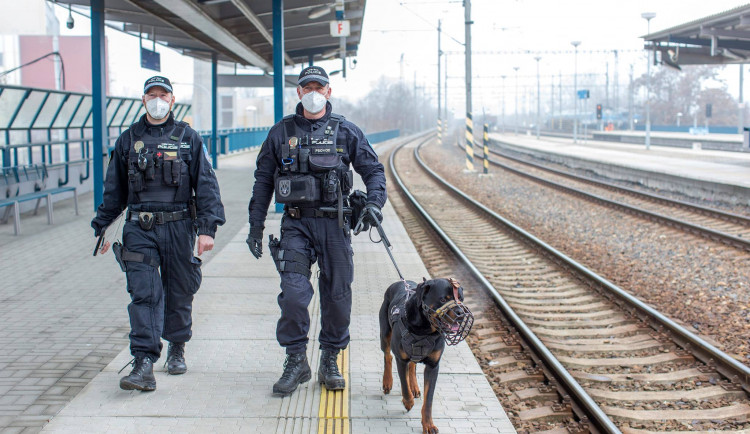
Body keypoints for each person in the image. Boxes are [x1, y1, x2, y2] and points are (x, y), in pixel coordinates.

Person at [247, 65, 386, 396]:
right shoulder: (281, 132)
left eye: (318, 87)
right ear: (298, 92)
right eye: (306, 87)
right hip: (295, 224)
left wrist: (374, 204)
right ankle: (296, 360)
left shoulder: (345, 131)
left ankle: (330, 359)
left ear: (328, 91)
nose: (313, 93)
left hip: (335, 225)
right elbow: (264, 179)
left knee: (337, 295)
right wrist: (255, 225)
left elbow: (374, 170)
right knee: (294, 294)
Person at [91, 76, 225, 392]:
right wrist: (103, 228)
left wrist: (207, 229)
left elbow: (206, 185)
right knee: (144, 292)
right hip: (140, 227)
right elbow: (114, 190)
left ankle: (177, 345)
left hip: (180, 226)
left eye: (162, 95)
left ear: (172, 100)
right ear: (143, 101)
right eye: (151, 95)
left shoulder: (189, 138)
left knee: (179, 288)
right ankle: (143, 363)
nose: (157, 100)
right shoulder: (127, 140)